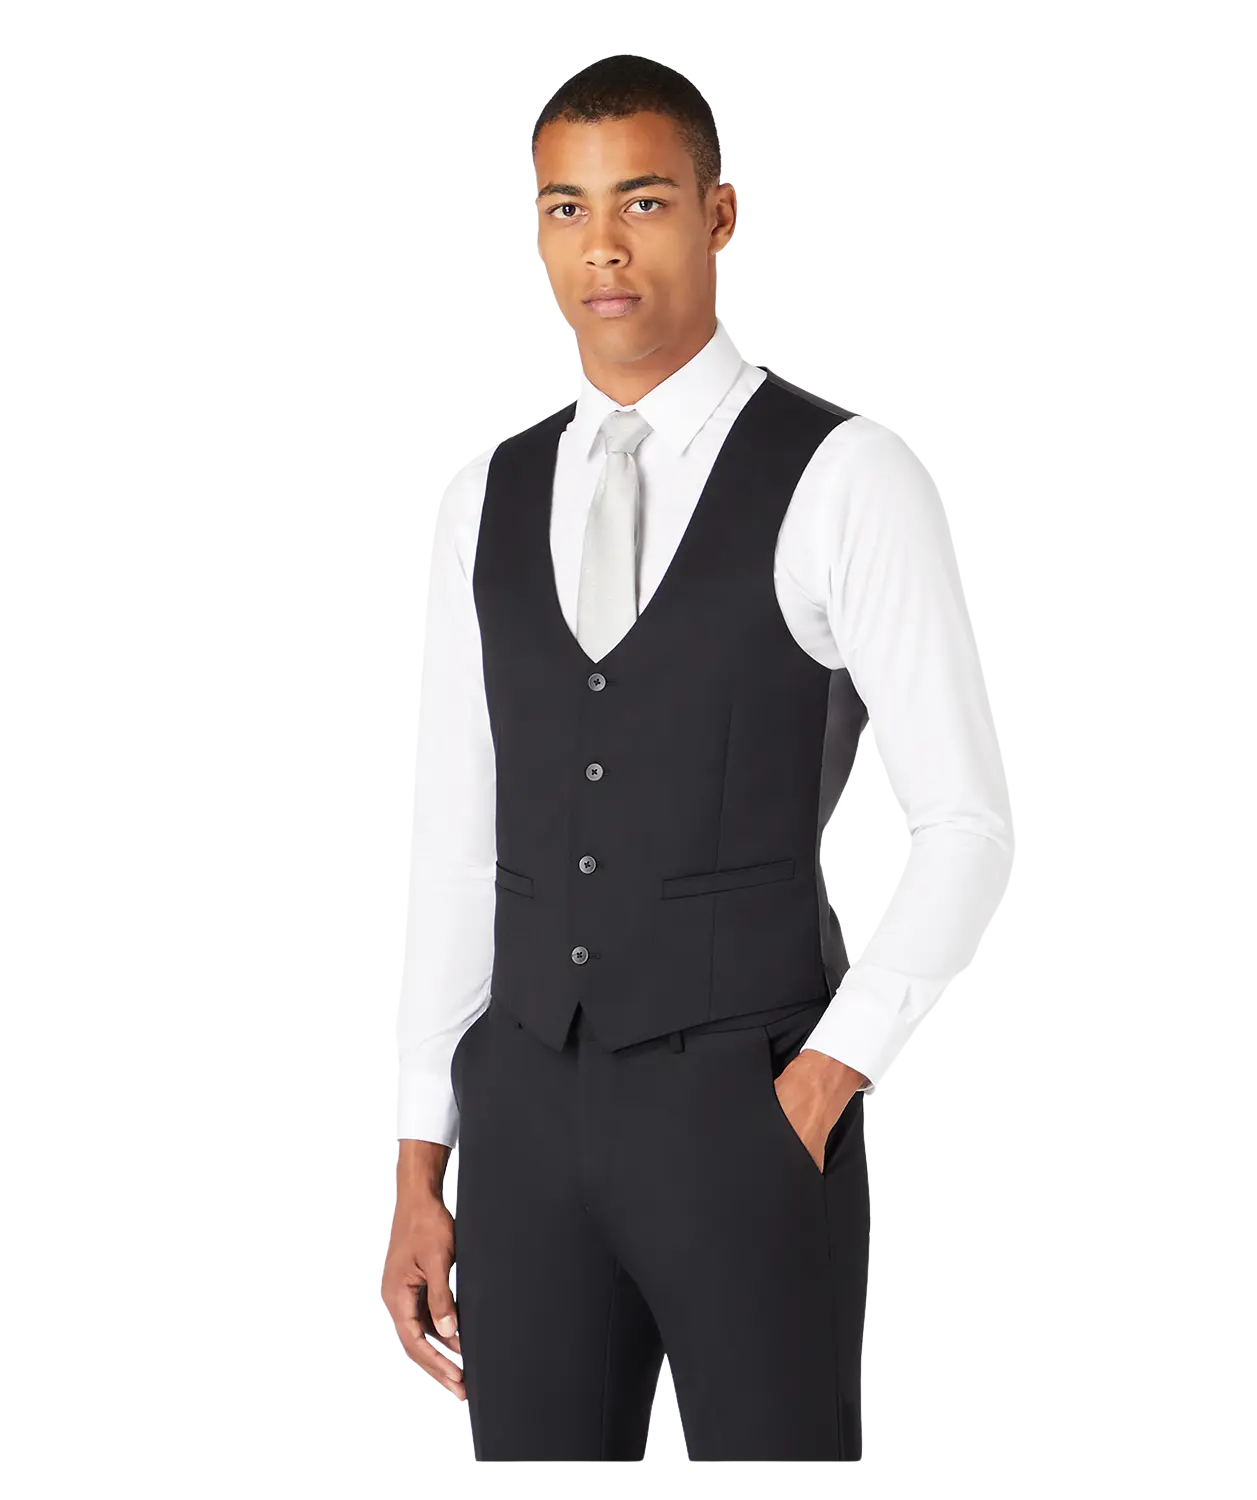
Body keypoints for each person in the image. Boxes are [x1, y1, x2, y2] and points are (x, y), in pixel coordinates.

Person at [384, 51, 1013, 1463]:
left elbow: (967, 826)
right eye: (565, 207)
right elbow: (458, 846)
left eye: (645, 201)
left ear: (722, 214)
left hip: (746, 1108)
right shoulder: (482, 495)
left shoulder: (847, 475)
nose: (602, 247)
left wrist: (822, 1082)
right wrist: (423, 1154)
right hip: (522, 1114)